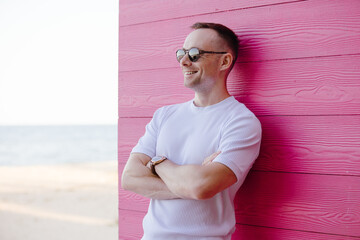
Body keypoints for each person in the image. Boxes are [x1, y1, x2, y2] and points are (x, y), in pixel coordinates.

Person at [121, 22, 262, 240]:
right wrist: (187, 183)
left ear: (224, 61)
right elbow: (130, 178)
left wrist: (158, 163)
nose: (184, 61)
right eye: (181, 53)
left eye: (195, 54)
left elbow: (202, 187)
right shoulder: (164, 115)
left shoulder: (241, 121)